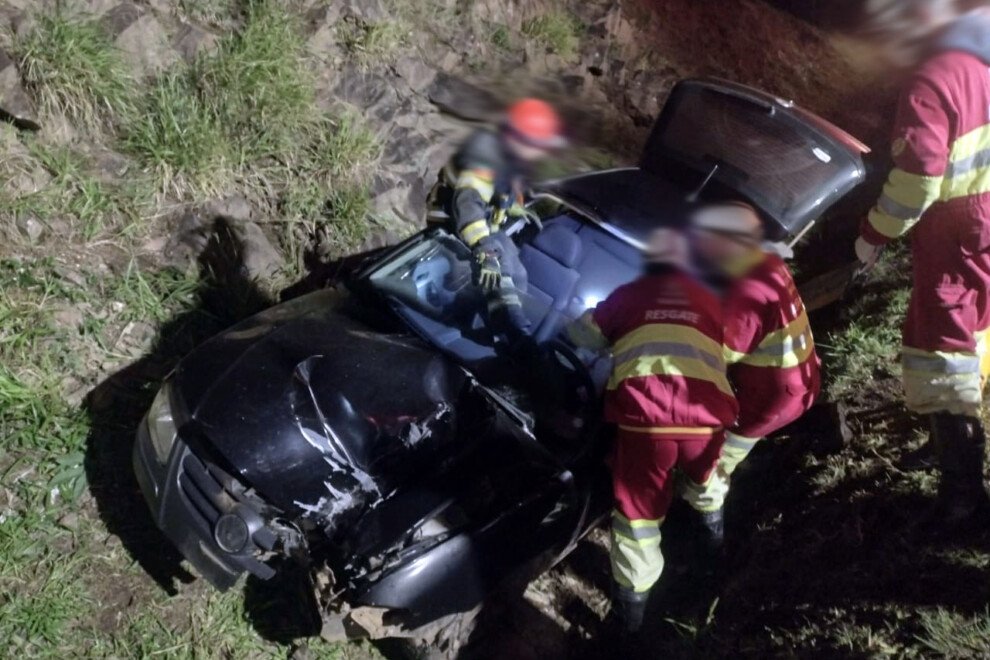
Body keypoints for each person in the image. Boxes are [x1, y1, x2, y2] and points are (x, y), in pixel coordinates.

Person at [853, 0, 990, 526]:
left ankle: (962, 495)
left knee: (940, 346)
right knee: (975, 330)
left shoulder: (933, 78)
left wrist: (873, 234)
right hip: (982, 219)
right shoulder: (979, 57)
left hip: (956, 227)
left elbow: (916, 182)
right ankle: (952, 443)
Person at [568, 228, 739, 633]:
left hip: (647, 425)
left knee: (638, 520)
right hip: (705, 417)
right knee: (706, 477)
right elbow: (725, 350)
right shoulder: (709, 300)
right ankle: (713, 541)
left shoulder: (630, 295)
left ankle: (630, 616)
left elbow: (584, 334)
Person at [681, 202, 821, 539]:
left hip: (770, 396)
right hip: (794, 380)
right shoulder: (762, 261)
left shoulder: (747, 292)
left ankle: (699, 535)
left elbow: (715, 356)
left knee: (710, 463)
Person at [427, 98, 565, 349]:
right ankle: (460, 332)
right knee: (474, 278)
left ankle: (507, 327)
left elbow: (497, 194)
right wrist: (485, 248)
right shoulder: (486, 156)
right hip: (452, 226)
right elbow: (468, 201)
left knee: (516, 270)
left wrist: (516, 209)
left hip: (483, 227)